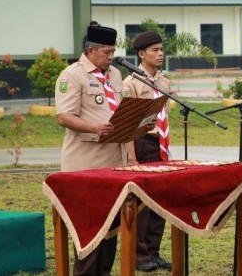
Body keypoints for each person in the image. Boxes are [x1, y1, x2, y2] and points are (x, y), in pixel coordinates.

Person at [55, 25, 124, 276]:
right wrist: (95, 127)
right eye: (106, 52)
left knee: (111, 226)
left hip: (114, 164)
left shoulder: (115, 75)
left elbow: (119, 112)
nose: (111, 57)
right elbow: (64, 117)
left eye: (114, 51)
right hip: (85, 166)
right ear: (90, 50)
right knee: (88, 228)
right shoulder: (72, 76)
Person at [123, 31, 173, 272]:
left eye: (162, 49)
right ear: (141, 54)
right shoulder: (131, 83)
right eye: (155, 50)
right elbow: (128, 125)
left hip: (160, 145)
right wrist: (131, 157)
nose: (160, 53)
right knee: (141, 202)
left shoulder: (164, 81)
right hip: (140, 143)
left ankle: (153, 252)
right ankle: (140, 255)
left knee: (159, 200)